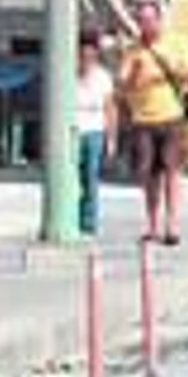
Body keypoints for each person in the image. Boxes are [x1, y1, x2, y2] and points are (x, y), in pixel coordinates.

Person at [118, 0, 188, 245]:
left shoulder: (176, 42)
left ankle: (172, 225)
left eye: (150, 19)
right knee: (150, 176)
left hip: (173, 117)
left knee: (172, 171)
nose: (146, 25)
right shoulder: (133, 50)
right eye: (141, 20)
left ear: (159, 19)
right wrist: (135, 77)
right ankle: (152, 225)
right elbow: (122, 84)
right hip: (143, 120)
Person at [75, 29, 117, 237]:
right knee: (72, 178)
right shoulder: (67, 74)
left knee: (90, 177)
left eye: (90, 53)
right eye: (82, 53)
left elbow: (110, 108)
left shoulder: (103, 77)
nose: (86, 57)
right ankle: (72, 217)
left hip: (94, 131)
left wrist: (111, 138)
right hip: (72, 131)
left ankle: (88, 222)